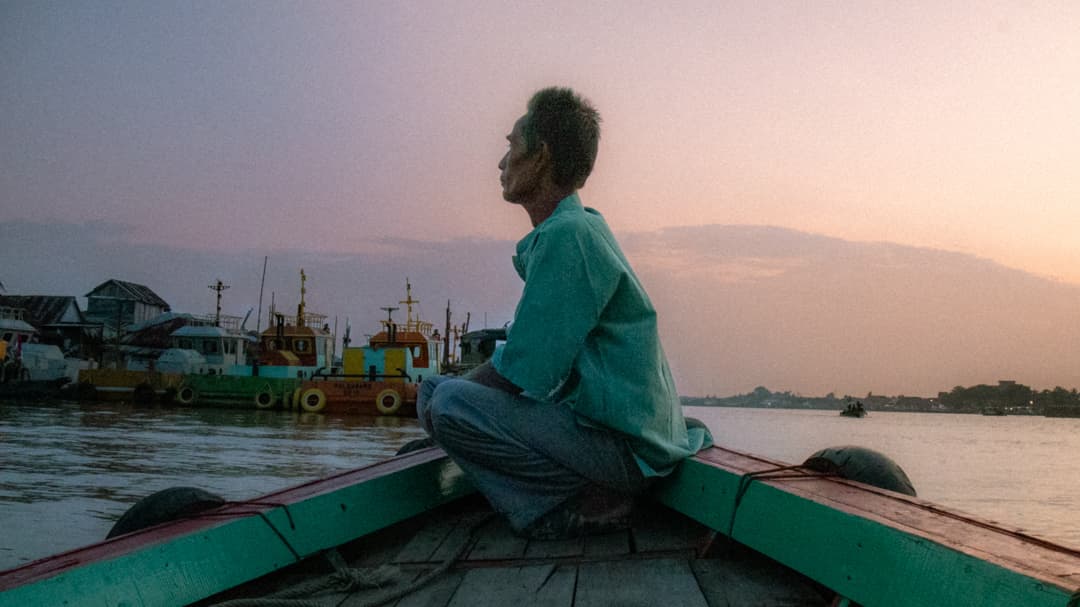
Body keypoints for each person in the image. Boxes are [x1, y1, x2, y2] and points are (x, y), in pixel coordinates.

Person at [417, 87, 711, 538]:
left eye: (512, 146)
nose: (501, 163)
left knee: (447, 402)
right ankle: (565, 488)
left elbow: (522, 372)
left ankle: (572, 504)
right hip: (604, 430)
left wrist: (447, 415)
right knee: (433, 392)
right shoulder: (576, 227)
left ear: (540, 157)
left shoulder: (569, 236)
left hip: (624, 449)